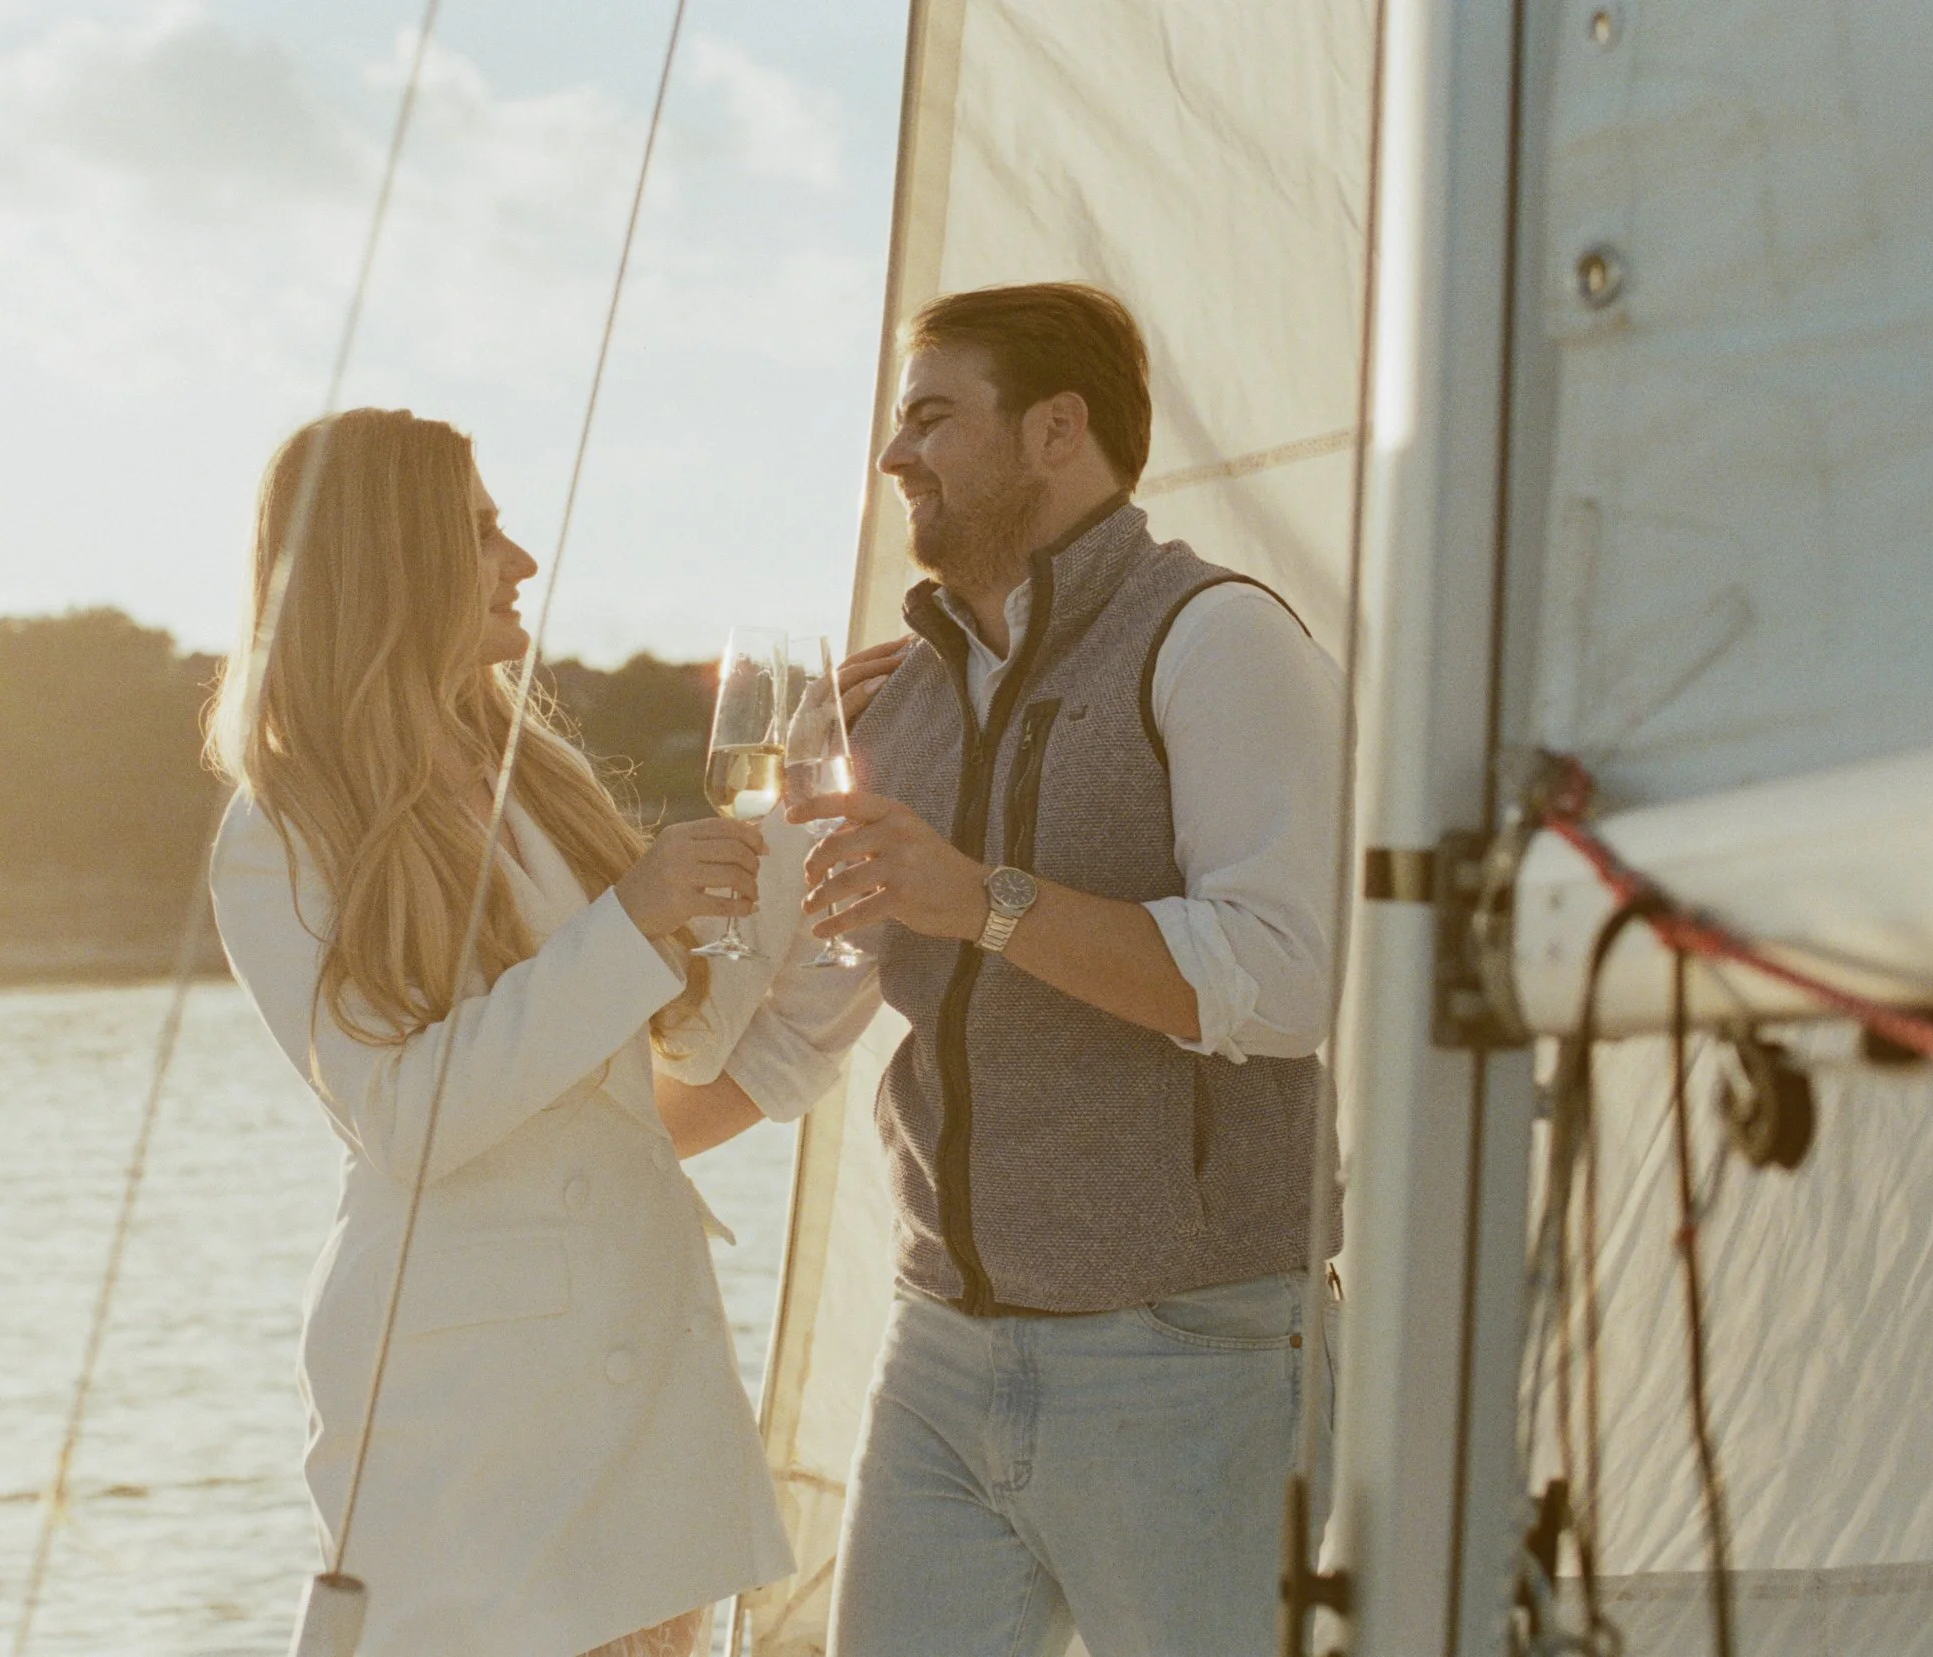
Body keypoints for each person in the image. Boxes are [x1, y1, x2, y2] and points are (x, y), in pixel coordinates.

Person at [660, 283, 1347, 1655]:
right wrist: (526, 1151)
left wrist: (988, 902)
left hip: (1191, 1355)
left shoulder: (1216, 640)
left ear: (1056, 430)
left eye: (930, 417)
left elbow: (1286, 984)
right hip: (940, 1351)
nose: (895, 454)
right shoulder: (891, 708)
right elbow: (799, 1030)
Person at [207, 408, 794, 1657]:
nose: (520, 560)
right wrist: (634, 914)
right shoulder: (281, 832)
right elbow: (406, 1118)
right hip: (470, 1437)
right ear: (391, 559)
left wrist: (799, 843)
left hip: (638, 1398)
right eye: (479, 532)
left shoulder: (532, 776)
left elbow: (666, 1047)